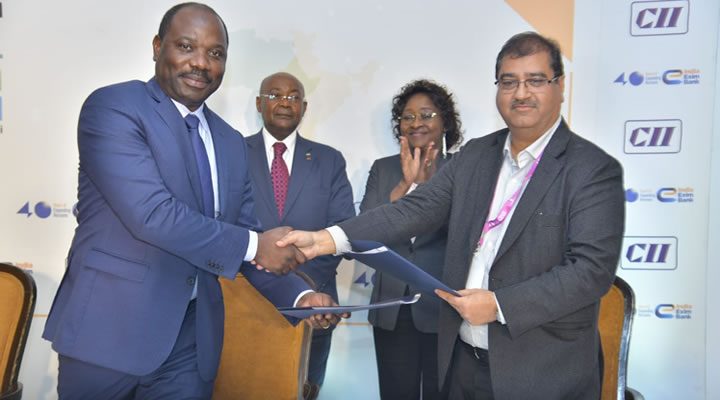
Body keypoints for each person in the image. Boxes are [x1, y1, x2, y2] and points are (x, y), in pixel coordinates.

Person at [278, 31, 625, 400]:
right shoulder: (476, 156)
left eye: (535, 80)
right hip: (461, 364)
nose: (521, 93)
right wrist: (325, 239)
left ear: (560, 86)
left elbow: (590, 271)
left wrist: (499, 305)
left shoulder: (592, 169)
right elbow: (416, 209)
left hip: (539, 372)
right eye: (509, 82)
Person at [42, 3, 339, 399]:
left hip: (190, 344)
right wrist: (256, 245)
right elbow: (152, 214)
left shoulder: (230, 142)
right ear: (157, 47)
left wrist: (301, 296)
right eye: (186, 46)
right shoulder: (115, 107)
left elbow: (243, 237)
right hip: (108, 333)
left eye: (215, 53)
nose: (201, 62)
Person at [246, 72, 356, 393]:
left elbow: (343, 229)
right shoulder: (233, 152)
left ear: (304, 107)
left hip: (315, 304)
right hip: (244, 301)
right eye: (275, 95)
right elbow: (226, 224)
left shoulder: (329, 160)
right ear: (259, 104)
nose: (285, 102)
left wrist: (304, 286)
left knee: (304, 390)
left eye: (293, 97)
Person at [360, 79, 462, 399]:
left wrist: (427, 188)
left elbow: (466, 235)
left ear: (445, 122)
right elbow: (363, 237)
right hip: (392, 308)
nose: (416, 122)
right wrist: (404, 188)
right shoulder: (383, 170)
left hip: (444, 308)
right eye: (408, 116)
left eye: (427, 115)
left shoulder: (462, 170)